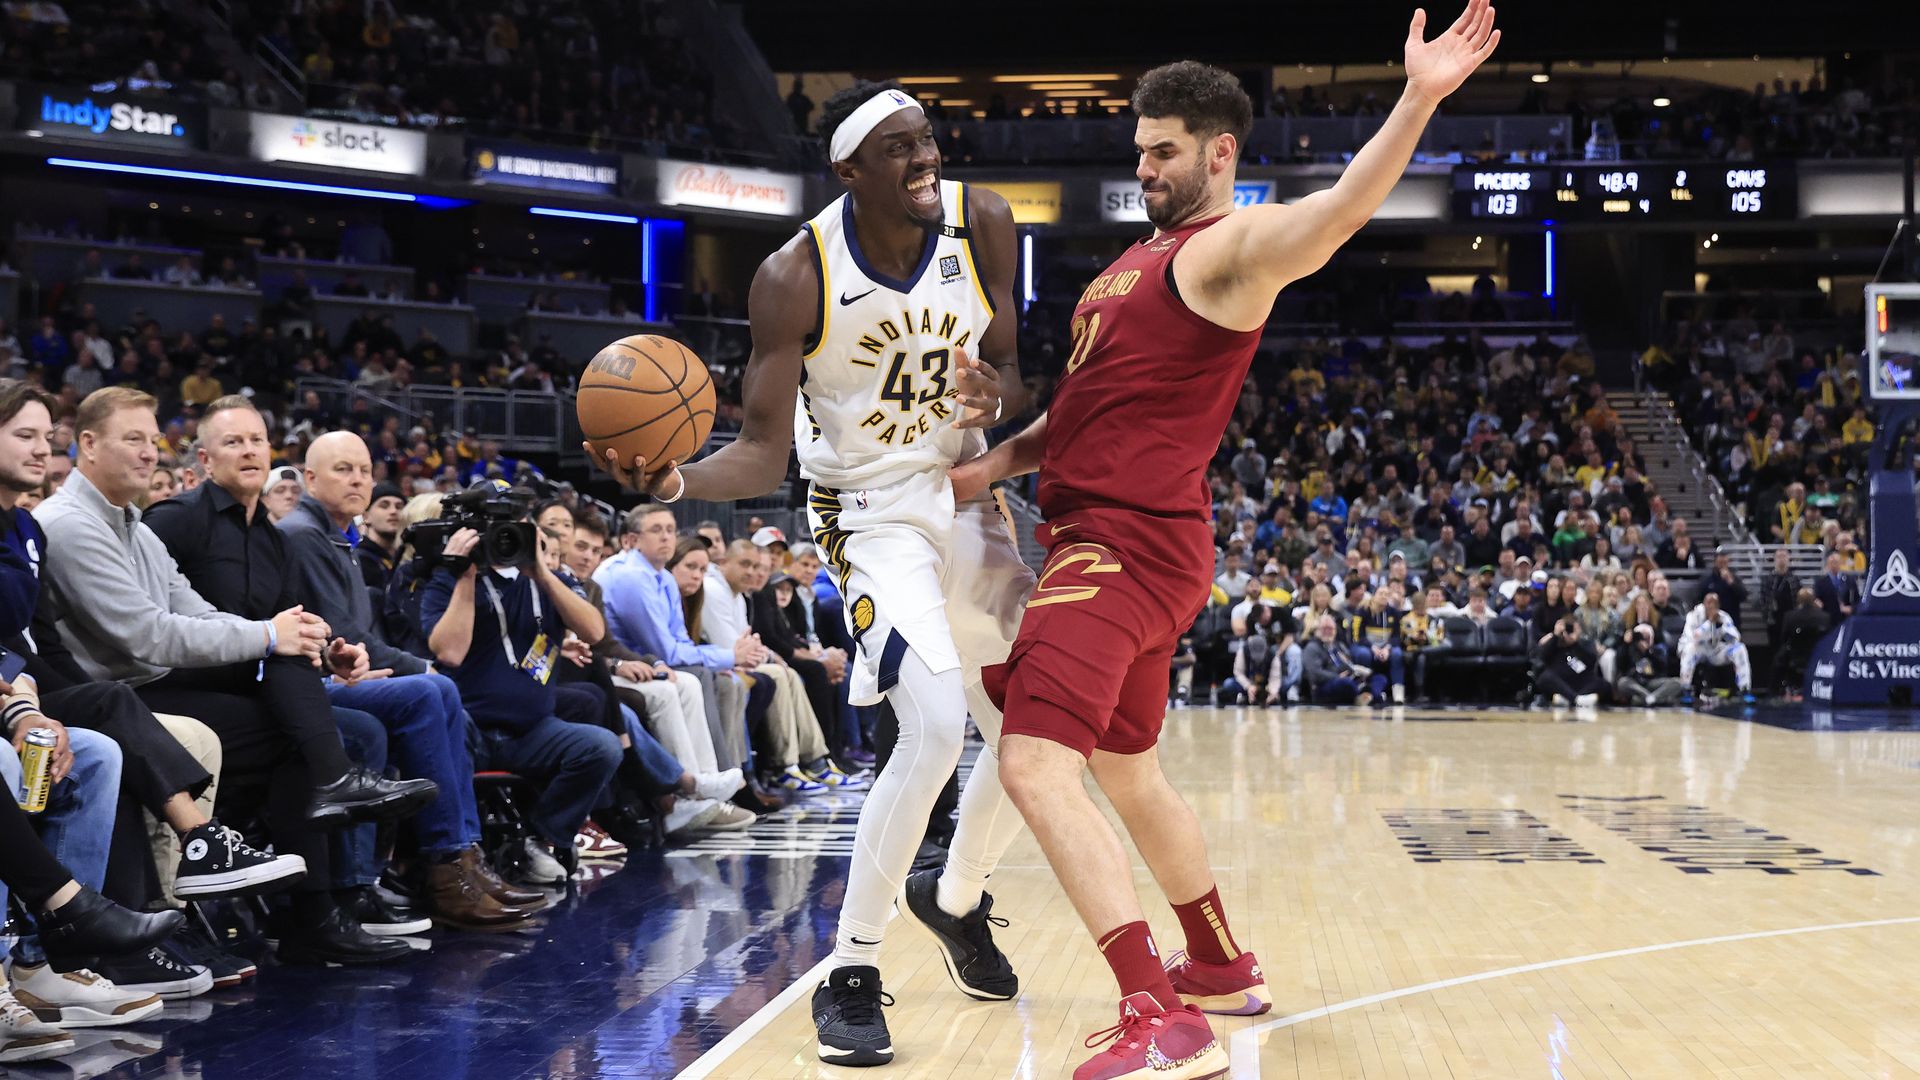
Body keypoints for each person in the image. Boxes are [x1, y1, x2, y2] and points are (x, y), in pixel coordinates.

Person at [947, 22, 1500, 1072]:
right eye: (1141, 147)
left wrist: (1420, 99)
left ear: (1220, 154)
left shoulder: (1228, 251)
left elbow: (1338, 215)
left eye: (1164, 150)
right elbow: (1085, 411)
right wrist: (993, 464)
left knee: (1031, 763)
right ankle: (1219, 966)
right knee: (1130, 772)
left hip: (1119, 549)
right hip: (1127, 541)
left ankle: (1162, 1019)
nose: (1143, 165)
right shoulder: (1130, 266)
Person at [592, 81, 1039, 1066]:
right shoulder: (796, 274)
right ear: (848, 172)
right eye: (900, 149)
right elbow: (759, 457)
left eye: (928, 141)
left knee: (1039, 731)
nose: (927, 160)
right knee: (929, 726)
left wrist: (992, 392)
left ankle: (954, 897)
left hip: (967, 496)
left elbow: (1014, 379)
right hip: (869, 514)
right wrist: (674, 475)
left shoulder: (988, 223)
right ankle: (851, 969)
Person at [37, 387, 430, 966]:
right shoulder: (72, 524)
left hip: (154, 683)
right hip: (118, 692)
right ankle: (333, 822)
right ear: (87, 445)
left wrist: (305, 642)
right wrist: (271, 635)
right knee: (308, 679)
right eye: (134, 440)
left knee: (301, 706)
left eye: (153, 440)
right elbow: (148, 634)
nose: (149, 454)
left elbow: (198, 611)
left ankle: (316, 910)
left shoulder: (139, 529)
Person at [278, 430, 541, 930]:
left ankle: (462, 858)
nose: (357, 479)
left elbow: (356, 635)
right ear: (309, 478)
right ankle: (447, 864)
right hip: (308, 682)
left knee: (436, 692)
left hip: (338, 673)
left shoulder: (336, 534)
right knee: (430, 688)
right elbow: (346, 631)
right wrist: (418, 665)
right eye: (342, 469)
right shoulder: (302, 534)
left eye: (363, 469)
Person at [420, 484, 623, 883]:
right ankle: (465, 852)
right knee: (450, 726)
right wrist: (465, 576)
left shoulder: (550, 579)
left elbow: (594, 630)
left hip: (533, 731)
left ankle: (539, 838)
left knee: (601, 747)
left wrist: (542, 573)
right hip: (471, 726)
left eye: (512, 522)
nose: (503, 533)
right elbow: (449, 653)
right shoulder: (447, 579)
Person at [1679, 591, 1751, 697]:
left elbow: (1736, 637)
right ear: (1704, 604)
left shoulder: (1723, 616)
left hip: (1715, 651)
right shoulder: (1693, 616)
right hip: (1697, 649)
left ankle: (1744, 689)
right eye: (1709, 603)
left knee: (1740, 648)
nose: (1712, 606)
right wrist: (1709, 623)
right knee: (1690, 649)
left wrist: (1722, 628)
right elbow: (1694, 638)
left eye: (1715, 603)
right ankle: (1685, 688)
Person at [1533, 617, 1609, 706]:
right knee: (1544, 678)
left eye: (1571, 629)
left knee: (1603, 684)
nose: (1568, 632)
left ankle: (1568, 698)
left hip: (1579, 681)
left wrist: (1575, 642)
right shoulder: (1553, 640)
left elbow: (1591, 662)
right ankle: (1576, 700)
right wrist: (1555, 636)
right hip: (1559, 681)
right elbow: (1541, 657)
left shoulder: (1583, 642)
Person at [1614, 623, 1686, 706]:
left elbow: (1662, 667)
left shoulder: (1658, 649)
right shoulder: (1628, 650)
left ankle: (1648, 699)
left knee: (1678, 682)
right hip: (1636, 684)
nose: (1644, 640)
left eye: (1647, 637)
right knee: (1622, 682)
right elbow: (1620, 665)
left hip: (1653, 683)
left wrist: (1648, 652)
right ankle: (1652, 698)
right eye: (1641, 637)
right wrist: (1626, 644)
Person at [1814, 550, 1857, 624]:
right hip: (1827, 620)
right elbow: (1816, 599)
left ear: (1841, 563)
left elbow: (1857, 600)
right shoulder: (1820, 581)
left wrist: (1851, 609)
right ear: (1827, 564)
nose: (1834, 564)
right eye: (1831, 562)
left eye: (1836, 562)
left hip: (1846, 619)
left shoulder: (1850, 580)